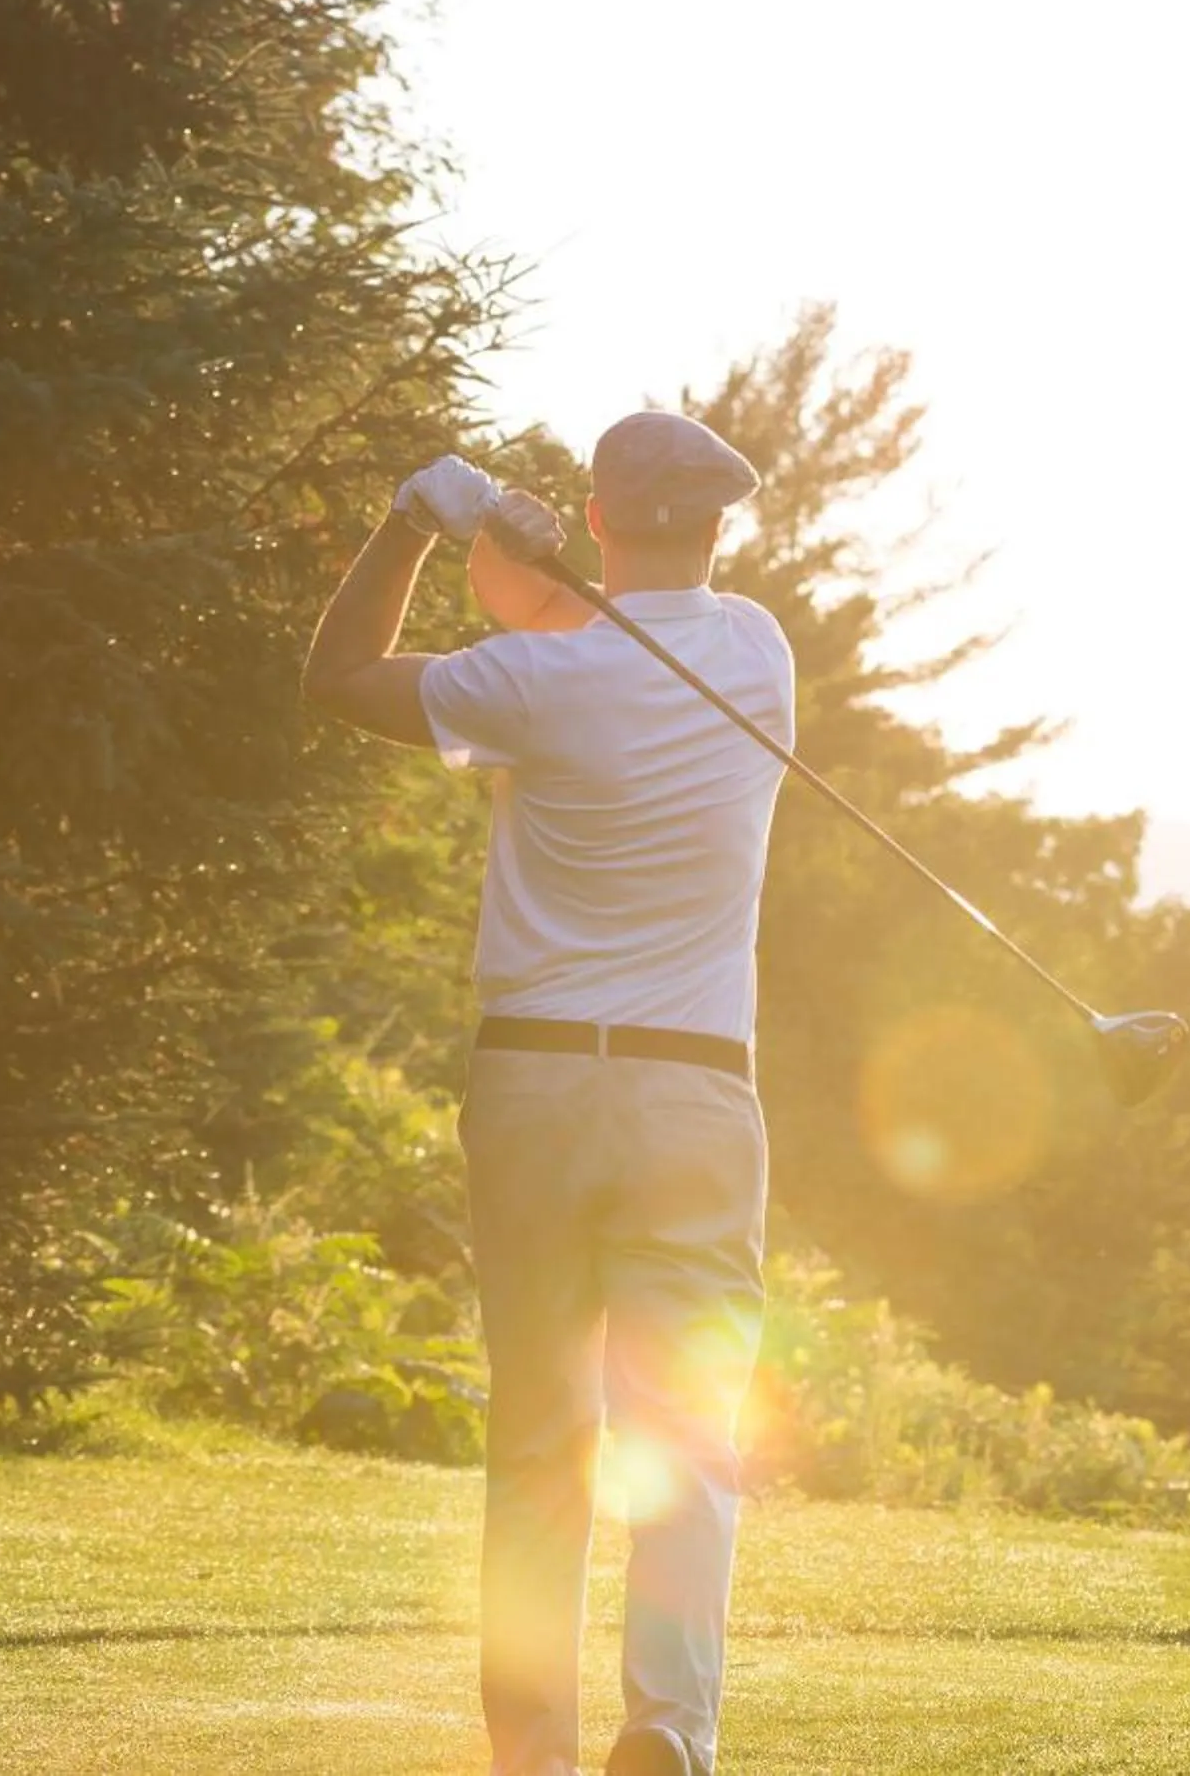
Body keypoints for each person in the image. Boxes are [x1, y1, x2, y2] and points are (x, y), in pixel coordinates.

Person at [301, 412, 792, 1776]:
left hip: (530, 1085)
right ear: (720, 524)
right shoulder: (758, 651)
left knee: (538, 1439)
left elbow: (340, 674)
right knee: (687, 1436)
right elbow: (571, 608)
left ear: (597, 510)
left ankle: (535, 1761)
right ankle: (671, 1733)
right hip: (695, 1094)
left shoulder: (528, 679)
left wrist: (427, 517)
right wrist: (511, 537)